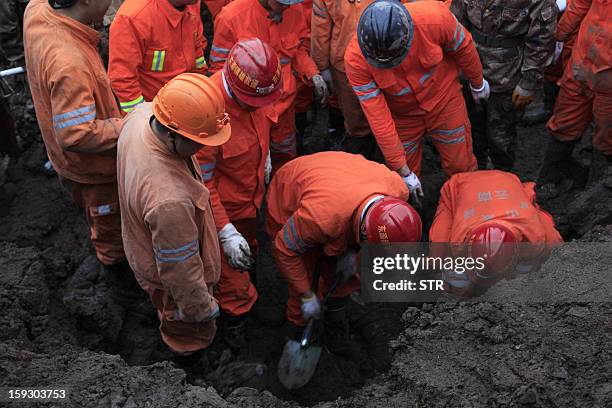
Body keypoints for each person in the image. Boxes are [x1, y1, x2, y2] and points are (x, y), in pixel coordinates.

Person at [116, 73, 230, 370]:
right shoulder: (168, 199)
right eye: (197, 142)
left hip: (144, 245)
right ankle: (190, 370)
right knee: (186, 329)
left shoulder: (142, 114)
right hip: (172, 281)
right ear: (172, 134)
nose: (203, 148)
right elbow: (180, 270)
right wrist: (200, 308)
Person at [266, 151, 422, 355]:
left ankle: (335, 319)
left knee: (349, 271)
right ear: (365, 233)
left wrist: (352, 251)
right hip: (291, 191)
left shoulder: (398, 191)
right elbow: (284, 250)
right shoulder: (319, 219)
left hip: (341, 185)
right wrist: (306, 295)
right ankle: (299, 332)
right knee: (306, 273)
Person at [24, 0, 127, 274]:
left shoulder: (37, 8)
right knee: (110, 228)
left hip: (65, 158)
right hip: (94, 171)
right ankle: (116, 270)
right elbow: (76, 134)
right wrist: (129, 128)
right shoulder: (69, 62)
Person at [344, 0, 485, 199]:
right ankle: (414, 215)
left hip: (445, 100)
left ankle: (468, 206)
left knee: (461, 165)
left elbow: (464, 47)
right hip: (402, 117)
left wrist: (477, 83)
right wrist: (402, 170)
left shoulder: (435, 18)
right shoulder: (356, 60)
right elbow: (378, 118)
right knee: (403, 183)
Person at [195, 39, 283, 350]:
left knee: (251, 257)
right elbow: (201, 184)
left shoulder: (259, 88)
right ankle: (234, 342)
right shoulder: (206, 112)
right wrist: (224, 231)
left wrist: (266, 155)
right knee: (234, 289)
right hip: (219, 216)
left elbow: (261, 123)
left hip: (250, 205)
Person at [209, 0, 328, 171]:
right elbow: (219, 69)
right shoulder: (231, 17)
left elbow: (296, 50)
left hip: (283, 106)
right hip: (249, 111)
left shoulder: (294, 10)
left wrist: (312, 72)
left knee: (286, 153)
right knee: (248, 163)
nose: (287, 7)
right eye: (282, 3)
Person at [451, 0, 557, 171]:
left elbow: (542, 40)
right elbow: (455, 22)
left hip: (508, 75)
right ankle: (476, 175)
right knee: (471, 129)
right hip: (470, 67)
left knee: (500, 134)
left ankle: (502, 175)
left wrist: (528, 83)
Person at [429, 170, 563, 297]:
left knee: (527, 268)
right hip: (461, 185)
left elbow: (560, 256)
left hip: (507, 182)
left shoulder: (540, 238)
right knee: (442, 262)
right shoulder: (454, 243)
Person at [538, 0, 611, 191]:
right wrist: (557, 37)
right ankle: (550, 177)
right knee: (565, 121)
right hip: (583, 63)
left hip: (608, 82)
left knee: (606, 139)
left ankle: (594, 194)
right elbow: (579, 5)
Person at [108, 0, 208, 114]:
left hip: (185, 105)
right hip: (153, 113)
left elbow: (197, 55)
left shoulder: (191, 5)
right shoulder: (133, 18)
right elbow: (123, 80)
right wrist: (143, 120)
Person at [311, 0, 378, 160]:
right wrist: (323, 67)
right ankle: (362, 152)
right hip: (353, 62)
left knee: (358, 117)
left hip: (370, 59)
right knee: (356, 118)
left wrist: (324, 67)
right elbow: (320, 30)